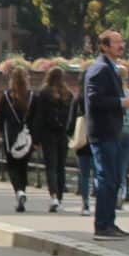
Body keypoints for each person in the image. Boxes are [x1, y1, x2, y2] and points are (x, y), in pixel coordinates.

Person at [82, 32, 129, 239]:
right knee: (107, 178)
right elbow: (94, 100)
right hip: (103, 132)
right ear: (104, 46)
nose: (121, 45)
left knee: (112, 178)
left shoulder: (109, 68)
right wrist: (122, 102)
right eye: (117, 42)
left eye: (122, 41)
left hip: (111, 131)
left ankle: (109, 223)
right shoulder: (100, 69)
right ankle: (103, 225)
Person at [31, 66, 79, 213]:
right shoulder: (68, 95)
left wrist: (35, 138)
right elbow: (73, 117)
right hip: (62, 134)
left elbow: (38, 117)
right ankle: (60, 197)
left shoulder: (43, 93)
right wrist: (69, 133)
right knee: (60, 167)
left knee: (51, 167)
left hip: (48, 134)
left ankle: (54, 198)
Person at [0, 63, 37, 213]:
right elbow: (36, 118)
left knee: (12, 166)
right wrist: (35, 137)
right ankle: (23, 191)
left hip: (10, 136)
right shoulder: (32, 97)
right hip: (27, 136)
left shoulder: (6, 97)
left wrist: (2, 131)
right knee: (23, 166)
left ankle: (19, 191)